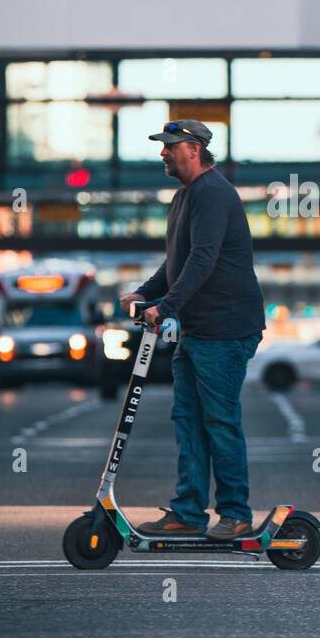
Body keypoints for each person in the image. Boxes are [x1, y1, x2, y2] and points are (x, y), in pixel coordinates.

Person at [120, 119, 266, 540]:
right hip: (197, 329)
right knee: (188, 418)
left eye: (170, 146)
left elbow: (202, 259)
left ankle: (236, 513)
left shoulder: (214, 193)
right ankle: (188, 511)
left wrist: (164, 307)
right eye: (162, 147)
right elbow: (176, 265)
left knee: (219, 421)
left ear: (194, 148)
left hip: (226, 327)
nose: (162, 153)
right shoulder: (185, 197)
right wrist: (142, 294)